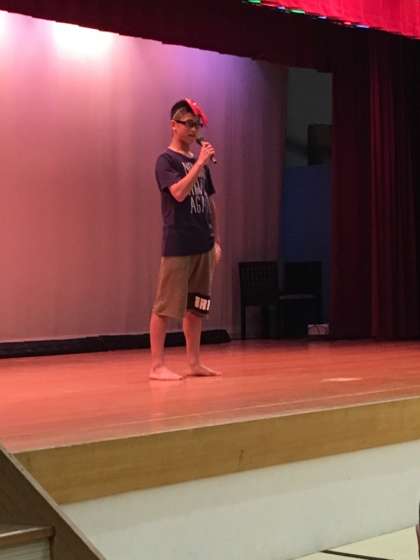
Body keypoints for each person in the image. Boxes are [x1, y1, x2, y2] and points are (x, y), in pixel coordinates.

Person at [149, 98, 222, 381]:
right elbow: (178, 193)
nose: (194, 130)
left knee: (197, 306)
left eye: (197, 125)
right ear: (173, 125)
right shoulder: (166, 161)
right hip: (178, 244)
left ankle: (194, 362)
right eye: (189, 124)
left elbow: (209, 202)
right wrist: (199, 163)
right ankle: (157, 366)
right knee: (166, 306)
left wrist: (216, 240)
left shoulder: (199, 164)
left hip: (203, 243)